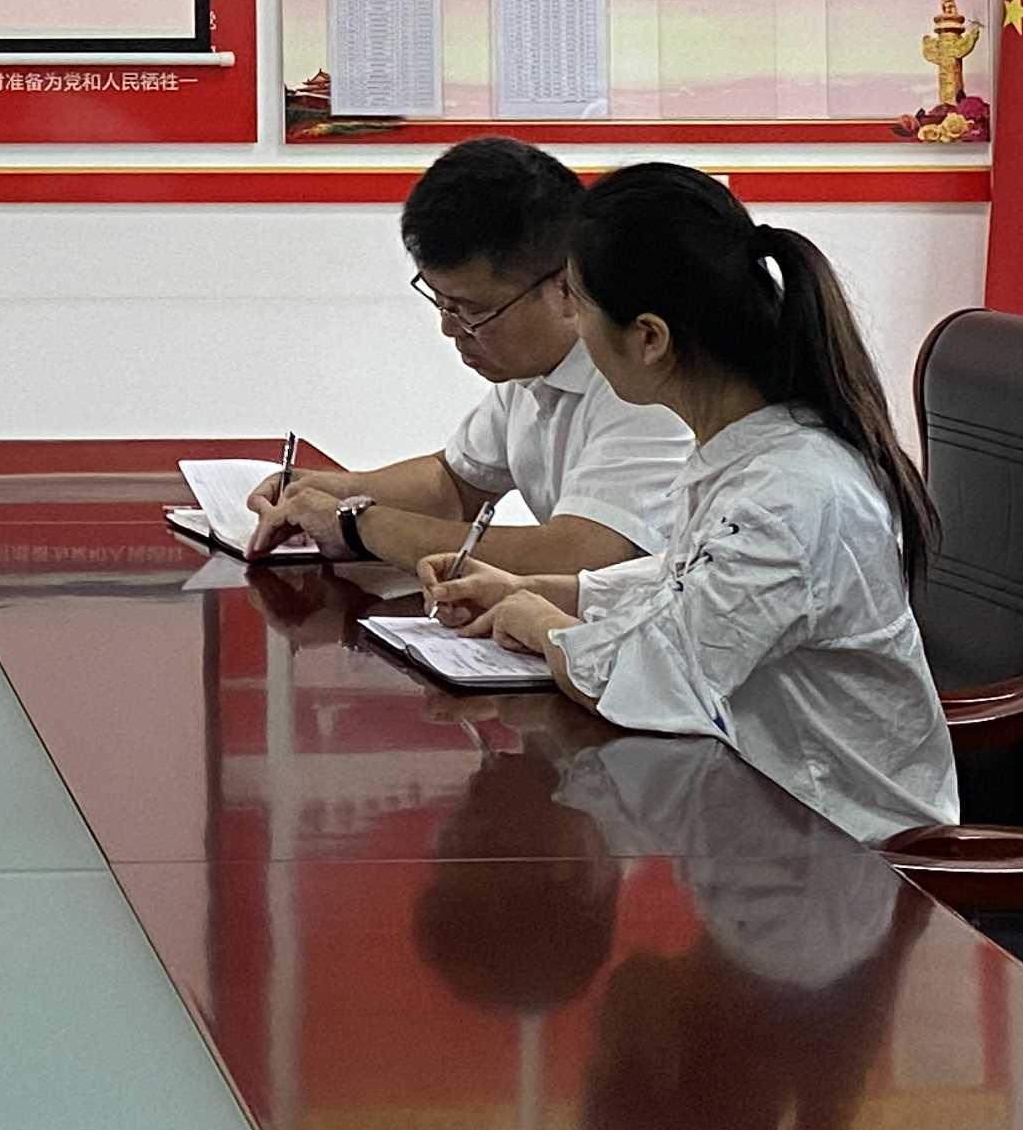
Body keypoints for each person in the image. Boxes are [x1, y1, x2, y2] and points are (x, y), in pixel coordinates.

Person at [428, 162, 956, 845]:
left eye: (580, 305)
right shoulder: (750, 448)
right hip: (758, 822)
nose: (574, 329)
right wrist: (546, 591)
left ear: (650, 337)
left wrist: (540, 624)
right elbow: (691, 583)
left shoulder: (792, 494)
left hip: (845, 859)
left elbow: (655, 678)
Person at [242, 138, 688, 578]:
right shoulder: (532, 369)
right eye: (441, 302)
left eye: (472, 310)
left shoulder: (641, 376)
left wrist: (357, 525)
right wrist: (327, 490)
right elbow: (455, 485)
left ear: (566, 286)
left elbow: (579, 556)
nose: (450, 328)